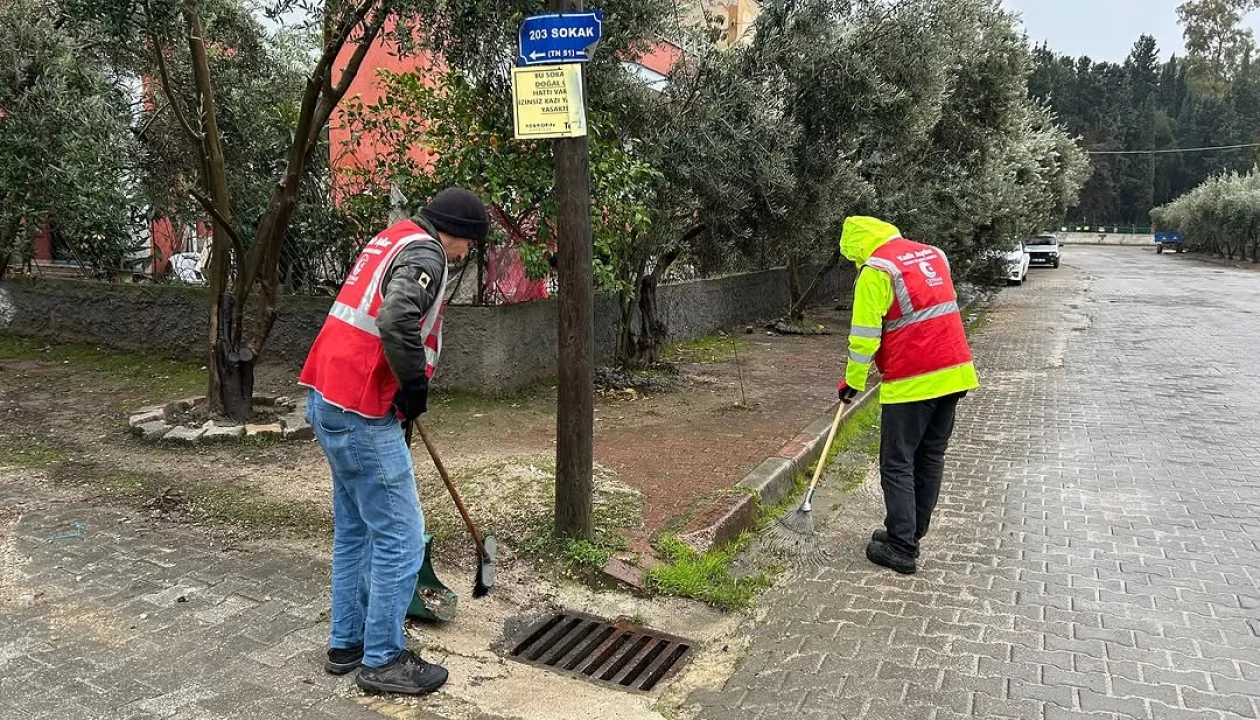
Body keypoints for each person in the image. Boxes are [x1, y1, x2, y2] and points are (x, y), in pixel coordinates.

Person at [299, 188, 489, 694]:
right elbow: (395, 317)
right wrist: (413, 386)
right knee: (402, 539)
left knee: (357, 530)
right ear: (453, 231)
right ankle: (382, 661)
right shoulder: (426, 252)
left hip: (326, 397)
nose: (466, 253)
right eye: (467, 242)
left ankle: (348, 644)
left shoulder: (393, 236)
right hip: (359, 409)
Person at [835, 216, 978, 575]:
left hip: (913, 378)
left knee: (897, 462)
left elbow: (864, 337)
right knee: (930, 457)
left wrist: (852, 382)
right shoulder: (932, 255)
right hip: (955, 371)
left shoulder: (876, 271)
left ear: (857, 247)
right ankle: (910, 530)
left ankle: (901, 548)